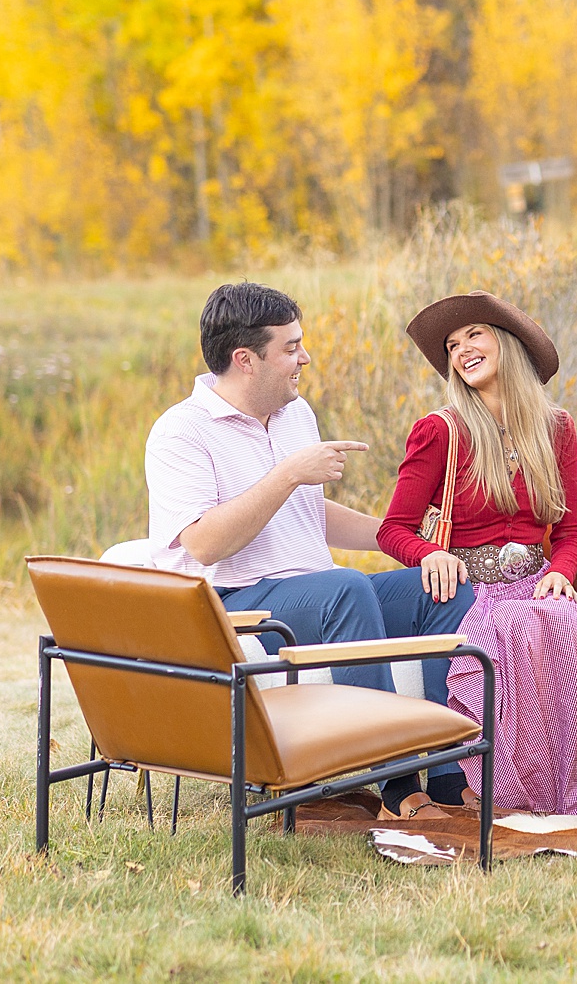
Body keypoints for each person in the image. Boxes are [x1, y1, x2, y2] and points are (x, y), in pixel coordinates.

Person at [144, 282, 473, 818]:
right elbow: (204, 544)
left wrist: (409, 542)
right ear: (245, 359)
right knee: (343, 589)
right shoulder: (180, 432)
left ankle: (447, 772)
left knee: (439, 587)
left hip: (316, 592)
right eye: (291, 348)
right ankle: (393, 784)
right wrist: (289, 474)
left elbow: (306, 516)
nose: (306, 357)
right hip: (234, 602)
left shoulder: (296, 415)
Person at [378, 291, 577, 817]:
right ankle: (492, 787)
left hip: (536, 579)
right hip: (466, 591)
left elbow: (569, 532)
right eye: (453, 345)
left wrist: (562, 574)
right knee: (510, 635)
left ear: (508, 343)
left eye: (473, 335)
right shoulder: (441, 430)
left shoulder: (557, 428)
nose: (461, 350)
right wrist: (429, 555)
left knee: (562, 623)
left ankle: (565, 790)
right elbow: (393, 529)